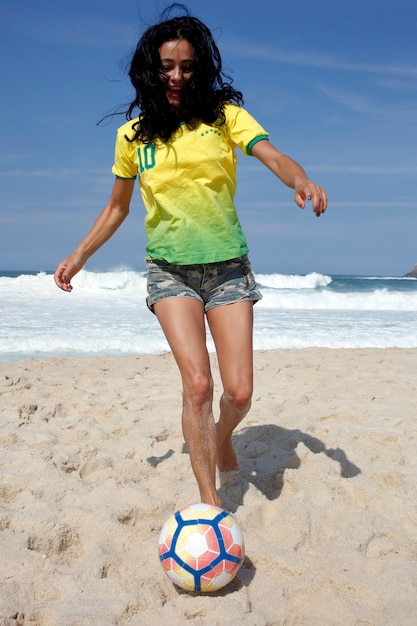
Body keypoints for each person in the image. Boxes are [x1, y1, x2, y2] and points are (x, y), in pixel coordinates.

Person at [54, 5, 327, 508]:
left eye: (186, 66)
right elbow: (117, 208)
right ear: (151, 70)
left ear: (200, 67)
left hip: (227, 269)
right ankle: (210, 503)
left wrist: (301, 179)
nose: (176, 76)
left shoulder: (226, 119)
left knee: (238, 393)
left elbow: (275, 157)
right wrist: (79, 256)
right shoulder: (133, 137)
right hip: (169, 271)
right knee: (198, 385)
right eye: (166, 66)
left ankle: (222, 436)